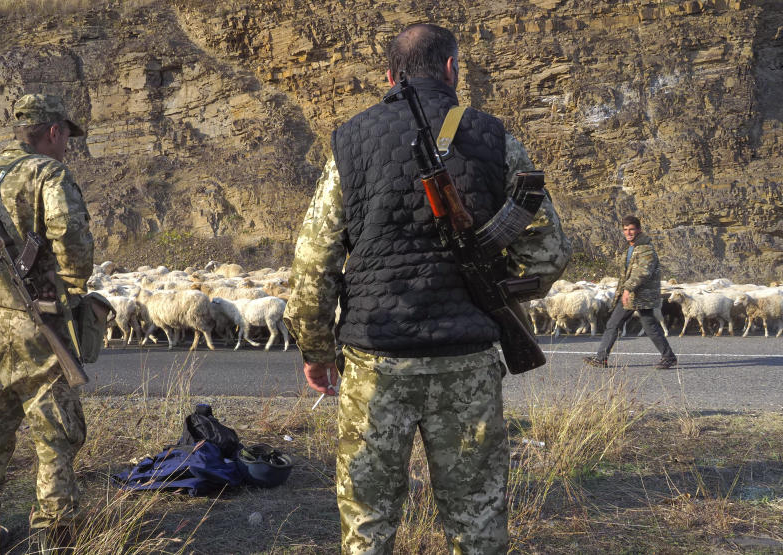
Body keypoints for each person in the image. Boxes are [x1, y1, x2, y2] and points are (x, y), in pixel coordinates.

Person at [284, 23, 569, 555]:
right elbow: (549, 252)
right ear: (450, 69)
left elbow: (313, 261)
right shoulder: (494, 136)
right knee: (477, 522)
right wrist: (492, 286)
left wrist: (317, 351)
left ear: (390, 77)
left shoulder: (350, 140)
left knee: (368, 525)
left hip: (373, 361)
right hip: (466, 358)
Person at [0, 93, 94, 551]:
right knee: (54, 433)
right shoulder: (49, 174)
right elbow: (70, 235)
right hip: (39, 321)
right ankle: (56, 533)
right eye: (68, 135)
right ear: (54, 131)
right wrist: (68, 290)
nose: (69, 145)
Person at [583, 215, 676, 369]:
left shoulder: (645, 249)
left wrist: (627, 289)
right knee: (613, 323)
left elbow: (642, 272)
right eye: (625, 229)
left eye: (631, 229)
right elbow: (627, 273)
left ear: (638, 229)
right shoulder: (632, 247)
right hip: (631, 296)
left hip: (640, 295)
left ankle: (669, 357)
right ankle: (601, 358)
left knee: (649, 326)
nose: (628, 232)